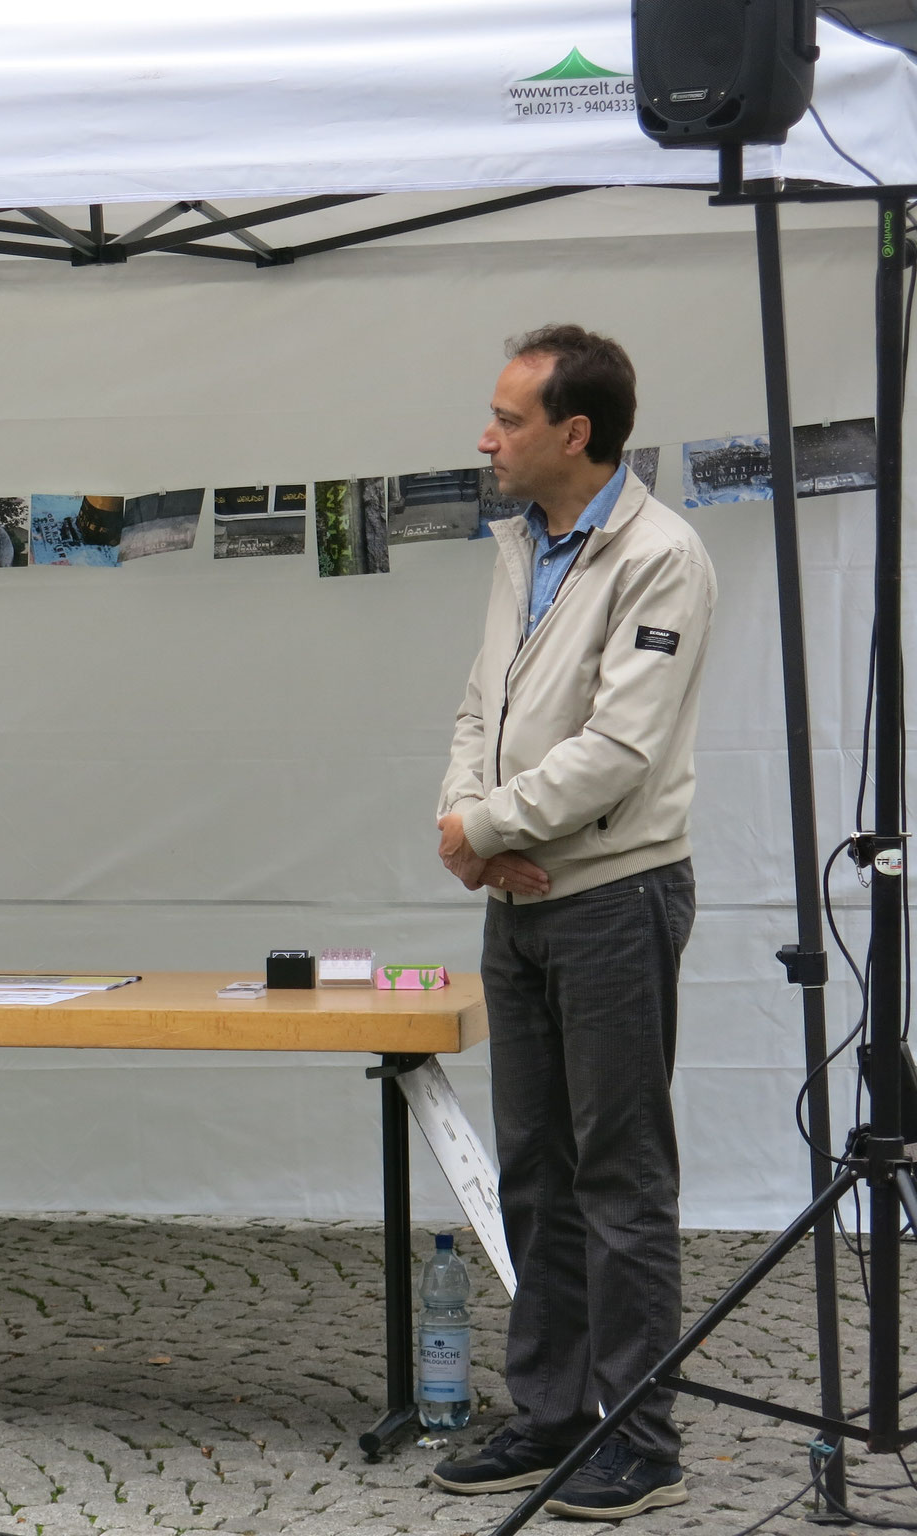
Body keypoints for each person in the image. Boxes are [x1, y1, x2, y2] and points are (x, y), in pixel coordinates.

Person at [429, 326, 715, 1520]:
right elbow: (477, 707)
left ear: (573, 432)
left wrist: (489, 829)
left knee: (618, 1173)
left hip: (613, 899)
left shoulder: (660, 556)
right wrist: (466, 822)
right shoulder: (522, 546)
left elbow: (618, 748)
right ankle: (550, 1416)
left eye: (504, 418)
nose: (483, 437)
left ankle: (637, 1435)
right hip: (523, 900)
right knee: (534, 1172)